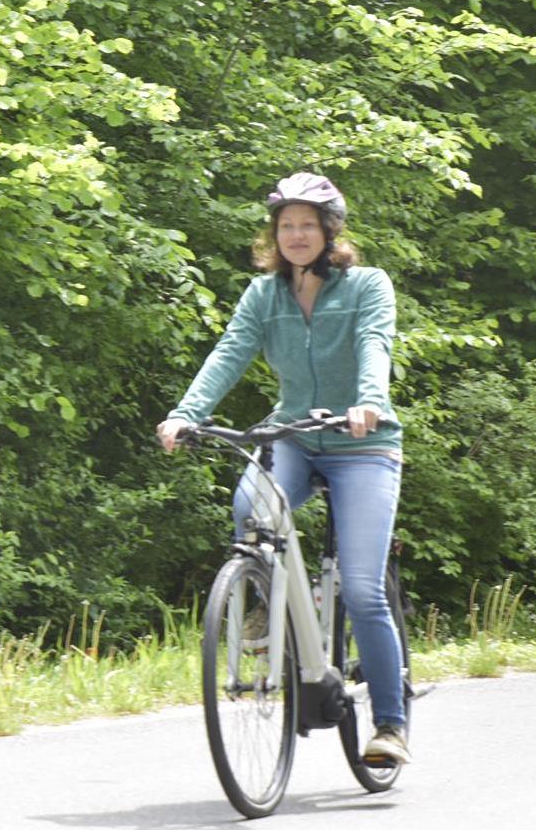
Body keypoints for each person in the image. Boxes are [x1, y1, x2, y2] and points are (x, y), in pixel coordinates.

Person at [156, 172, 411, 765]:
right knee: (251, 508)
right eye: (286, 225)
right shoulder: (263, 295)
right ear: (275, 233)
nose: (296, 235)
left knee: (366, 590)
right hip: (295, 433)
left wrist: (369, 401)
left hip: (362, 443)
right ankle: (265, 605)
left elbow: (375, 341)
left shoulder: (367, 285)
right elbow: (230, 351)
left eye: (308, 225)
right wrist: (185, 414)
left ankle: (391, 724)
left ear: (330, 231)